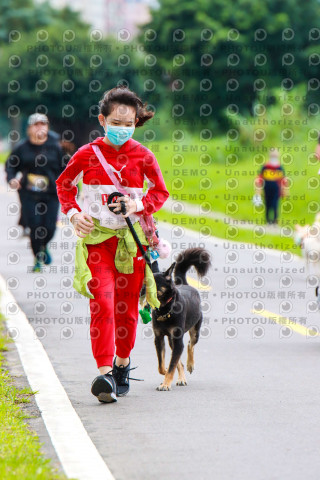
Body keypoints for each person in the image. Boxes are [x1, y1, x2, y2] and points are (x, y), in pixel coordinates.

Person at [55, 85, 169, 404]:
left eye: (128, 123)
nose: (122, 129)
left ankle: (122, 364)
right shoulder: (86, 154)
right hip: (97, 241)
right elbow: (63, 184)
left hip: (131, 244)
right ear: (103, 121)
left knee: (127, 311)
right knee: (102, 304)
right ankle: (105, 372)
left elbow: (160, 192)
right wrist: (75, 213)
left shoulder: (143, 156)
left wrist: (137, 205)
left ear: (136, 123)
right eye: (116, 123)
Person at [5, 113, 65, 271]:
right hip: (29, 194)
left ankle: (43, 247)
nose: (40, 127)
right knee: (35, 225)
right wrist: (12, 179)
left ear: (47, 127)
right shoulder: (22, 148)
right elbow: (10, 166)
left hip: (51, 193)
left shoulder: (55, 147)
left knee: (50, 227)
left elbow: (65, 168)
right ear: (29, 129)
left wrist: (70, 186)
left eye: (43, 124)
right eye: (36, 124)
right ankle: (38, 257)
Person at [254, 148, 289, 224]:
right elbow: (260, 177)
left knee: (275, 204)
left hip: (276, 190)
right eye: (272, 156)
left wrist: (285, 190)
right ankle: (267, 220)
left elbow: (283, 180)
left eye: (275, 156)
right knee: (267, 204)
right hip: (267, 189)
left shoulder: (279, 168)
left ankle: (275, 220)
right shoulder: (266, 167)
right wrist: (258, 187)